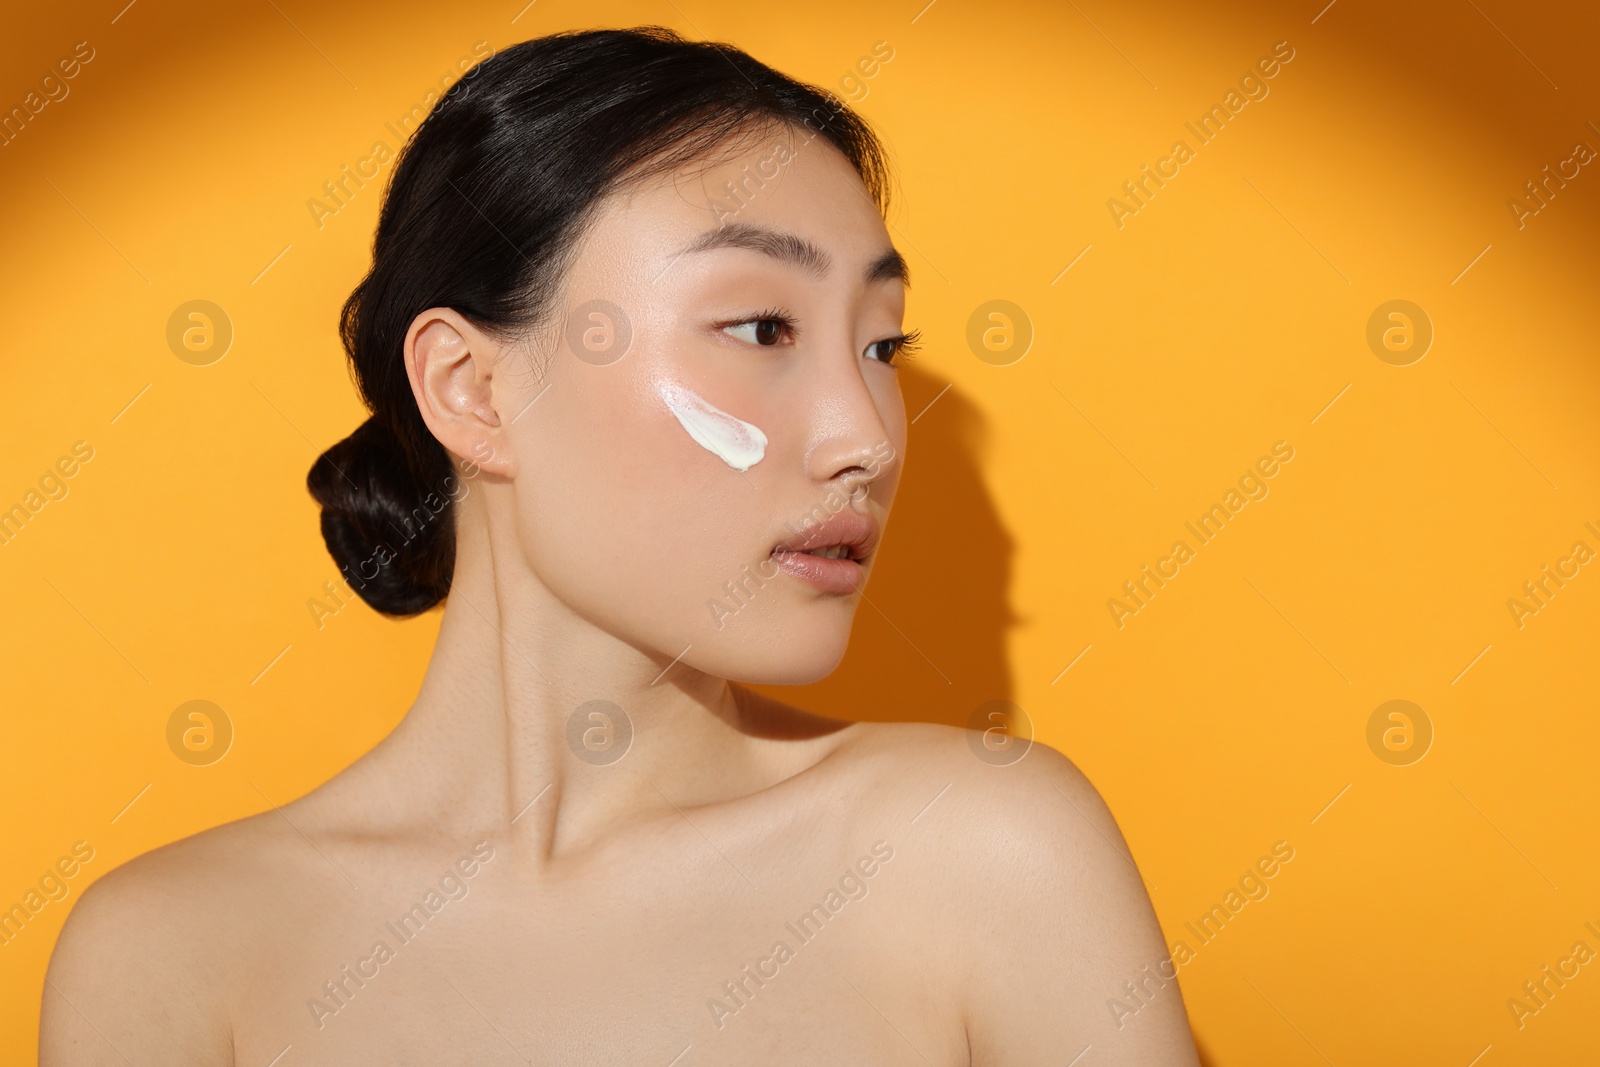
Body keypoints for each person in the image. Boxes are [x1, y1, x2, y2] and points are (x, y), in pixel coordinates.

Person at [42, 27, 1199, 1065]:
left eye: (882, 347)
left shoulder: (981, 856)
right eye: (760, 326)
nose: (866, 437)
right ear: (474, 391)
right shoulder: (171, 954)